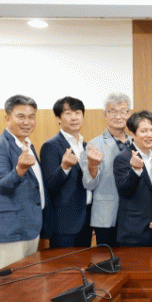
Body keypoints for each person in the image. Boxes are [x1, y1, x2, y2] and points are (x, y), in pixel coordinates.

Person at [0, 95, 50, 269]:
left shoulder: (27, 145)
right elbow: (1, 186)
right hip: (11, 230)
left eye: (31, 117)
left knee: (28, 281)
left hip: (30, 227)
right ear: (7, 118)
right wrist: (20, 169)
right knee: (10, 282)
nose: (27, 122)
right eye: (20, 116)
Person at [81, 93, 132, 247]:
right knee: (106, 259)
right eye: (113, 111)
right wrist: (92, 166)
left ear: (129, 114)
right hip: (106, 215)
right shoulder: (94, 145)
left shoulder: (135, 143)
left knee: (132, 258)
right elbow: (88, 184)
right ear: (105, 115)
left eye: (122, 111)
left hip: (132, 215)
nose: (118, 116)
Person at [40, 96, 93, 248]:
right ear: (58, 118)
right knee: (63, 263)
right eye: (68, 113)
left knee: (85, 261)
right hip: (64, 223)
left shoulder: (86, 146)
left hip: (86, 219)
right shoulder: (51, 146)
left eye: (78, 113)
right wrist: (64, 167)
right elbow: (50, 184)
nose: (74, 118)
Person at [113, 111, 152, 246]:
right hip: (133, 231)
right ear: (132, 134)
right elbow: (125, 192)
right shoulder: (123, 158)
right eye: (143, 131)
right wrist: (135, 170)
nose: (149, 135)